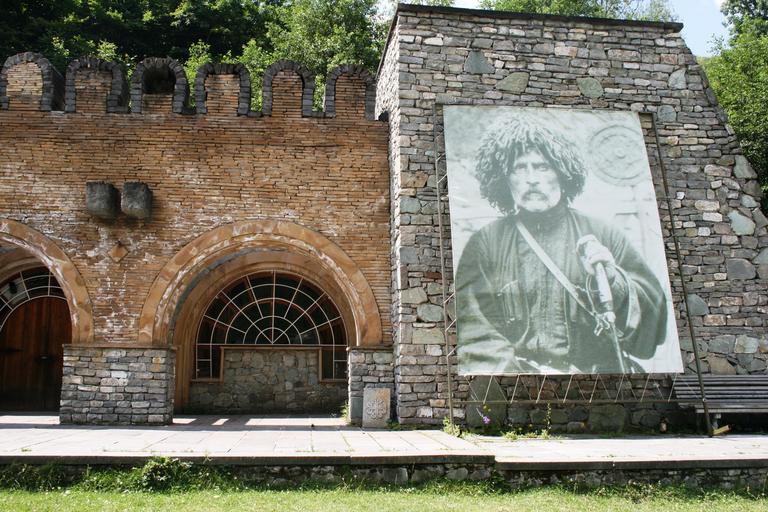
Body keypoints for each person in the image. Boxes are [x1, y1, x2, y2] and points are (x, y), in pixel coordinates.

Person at [456, 116, 668, 374]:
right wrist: (521, 378)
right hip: (520, 385)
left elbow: (653, 324)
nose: (531, 179)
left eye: (542, 167)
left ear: (563, 172)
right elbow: (472, 330)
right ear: (504, 178)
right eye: (519, 168)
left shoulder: (603, 234)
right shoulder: (486, 243)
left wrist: (614, 281)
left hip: (599, 384)